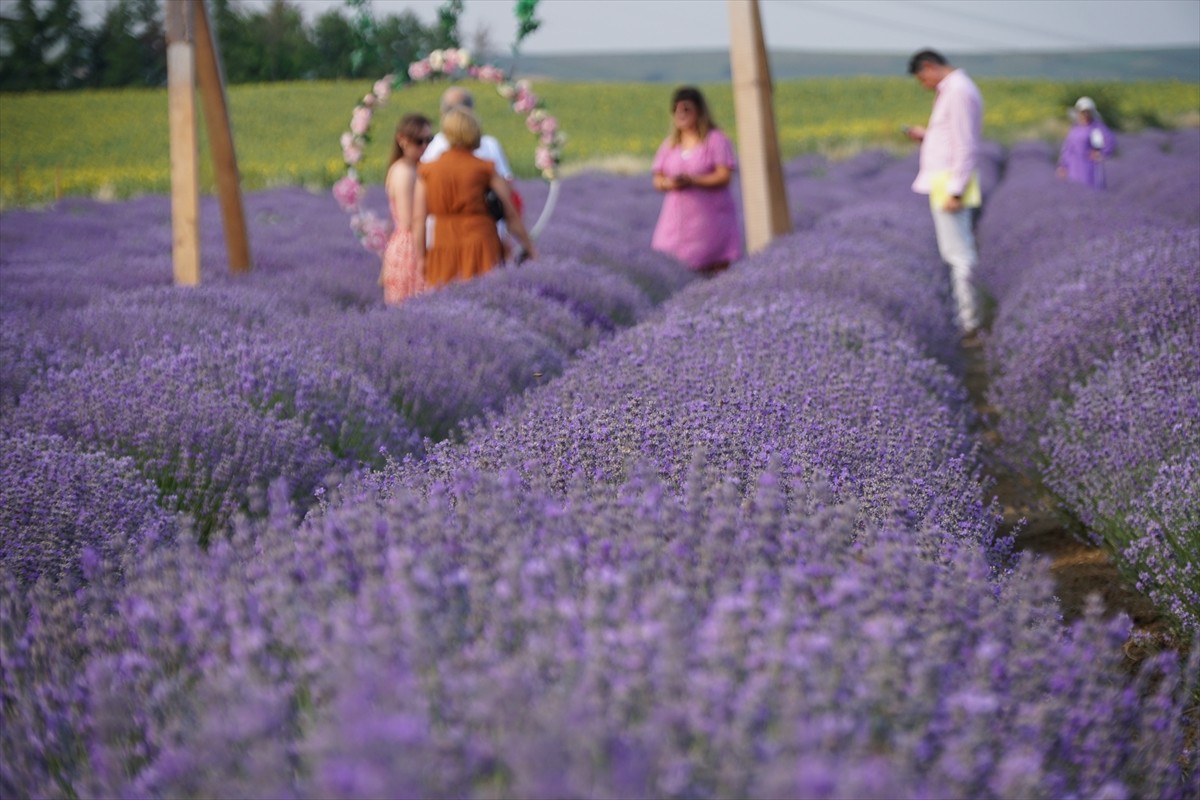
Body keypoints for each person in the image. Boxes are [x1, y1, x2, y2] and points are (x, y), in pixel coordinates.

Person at [904, 49, 985, 341]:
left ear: (929, 66)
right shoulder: (952, 90)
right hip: (944, 181)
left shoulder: (959, 91)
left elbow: (967, 145)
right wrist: (926, 136)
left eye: (921, 78)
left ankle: (969, 322)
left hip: (951, 183)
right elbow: (951, 138)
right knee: (953, 253)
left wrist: (956, 190)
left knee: (959, 254)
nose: (923, 84)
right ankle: (965, 317)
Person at [413, 107, 536, 288]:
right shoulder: (485, 168)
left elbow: (418, 219)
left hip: (443, 244)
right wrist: (530, 248)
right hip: (482, 244)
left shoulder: (427, 170)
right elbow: (510, 213)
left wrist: (422, 257)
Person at [650, 86, 742, 275]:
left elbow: (724, 176)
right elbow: (657, 178)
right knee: (673, 265)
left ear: (699, 111)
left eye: (686, 109)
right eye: (675, 109)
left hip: (710, 221)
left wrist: (693, 180)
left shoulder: (716, 140)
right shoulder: (670, 144)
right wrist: (670, 183)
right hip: (676, 221)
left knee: (713, 271)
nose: (680, 114)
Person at [422, 86, 523, 254]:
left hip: (441, 236)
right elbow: (507, 191)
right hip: (484, 234)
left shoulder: (431, 149)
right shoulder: (489, 146)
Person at [380, 113, 433, 305]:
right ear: (402, 140)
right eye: (419, 141)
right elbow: (408, 220)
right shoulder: (404, 171)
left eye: (430, 140)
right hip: (411, 247)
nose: (425, 146)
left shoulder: (414, 168)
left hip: (414, 241)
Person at [1057, 96, 1116, 189]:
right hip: (1073, 167)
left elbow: (1110, 141)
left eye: (1087, 112)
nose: (1085, 114)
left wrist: (1101, 153)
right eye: (1082, 112)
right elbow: (1068, 148)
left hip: (1089, 167)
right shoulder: (1075, 128)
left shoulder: (1096, 127)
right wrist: (1063, 165)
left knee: (1091, 191)